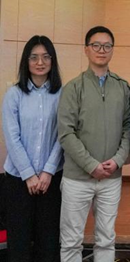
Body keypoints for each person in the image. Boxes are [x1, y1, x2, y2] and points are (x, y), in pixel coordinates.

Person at [58, 26, 130, 262]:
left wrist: (118, 160)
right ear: (86, 50)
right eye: (96, 45)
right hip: (77, 178)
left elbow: (128, 128)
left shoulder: (122, 87)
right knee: (71, 241)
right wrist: (91, 165)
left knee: (106, 239)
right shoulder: (73, 88)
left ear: (112, 50)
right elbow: (66, 133)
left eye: (107, 46)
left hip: (111, 177)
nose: (102, 50)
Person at [2, 35, 63, 262]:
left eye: (46, 57)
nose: (40, 62)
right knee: (18, 241)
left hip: (51, 179)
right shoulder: (14, 94)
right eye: (34, 57)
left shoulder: (62, 94)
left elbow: (63, 136)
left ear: (52, 60)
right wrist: (29, 175)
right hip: (18, 179)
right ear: (26, 61)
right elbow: (12, 137)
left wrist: (48, 171)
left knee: (48, 241)